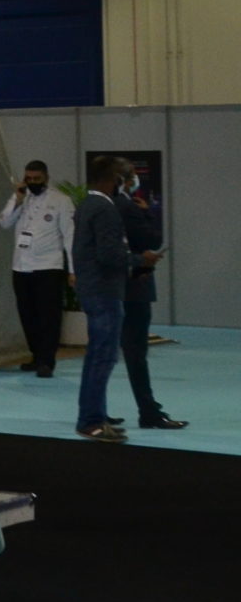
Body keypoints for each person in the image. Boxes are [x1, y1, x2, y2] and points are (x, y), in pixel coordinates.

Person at [71, 158, 133, 444]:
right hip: (104, 291)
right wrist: (137, 260)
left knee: (97, 354)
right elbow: (109, 255)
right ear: (112, 179)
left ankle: (95, 414)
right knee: (103, 355)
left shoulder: (86, 204)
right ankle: (91, 420)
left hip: (91, 288)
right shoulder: (104, 208)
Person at [116, 178, 183, 431]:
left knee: (113, 353)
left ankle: (97, 411)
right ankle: (148, 411)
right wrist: (148, 214)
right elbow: (153, 240)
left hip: (121, 287)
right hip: (134, 287)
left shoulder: (108, 205)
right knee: (135, 353)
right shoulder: (128, 207)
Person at [0, 160, 75, 376]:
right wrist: (18, 200)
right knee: (27, 315)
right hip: (21, 266)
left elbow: (70, 237)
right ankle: (36, 355)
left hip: (48, 267)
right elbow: (4, 222)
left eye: (37, 179)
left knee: (48, 316)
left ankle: (47, 361)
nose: (32, 182)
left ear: (46, 178)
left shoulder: (61, 201)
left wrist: (73, 270)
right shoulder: (21, 198)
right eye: (29, 179)